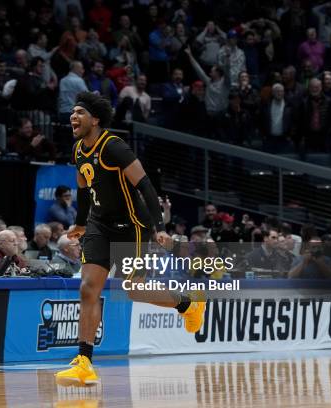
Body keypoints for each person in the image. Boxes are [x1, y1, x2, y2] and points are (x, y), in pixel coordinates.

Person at [55, 92, 205, 387]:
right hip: (99, 224)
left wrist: (159, 226)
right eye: (72, 112)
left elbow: (145, 185)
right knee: (88, 288)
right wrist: (81, 223)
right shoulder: (77, 151)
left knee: (134, 290)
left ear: (95, 119)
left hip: (132, 225)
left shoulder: (114, 146)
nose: (73, 117)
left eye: (80, 112)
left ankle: (188, 305)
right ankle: (84, 362)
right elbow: (84, 189)